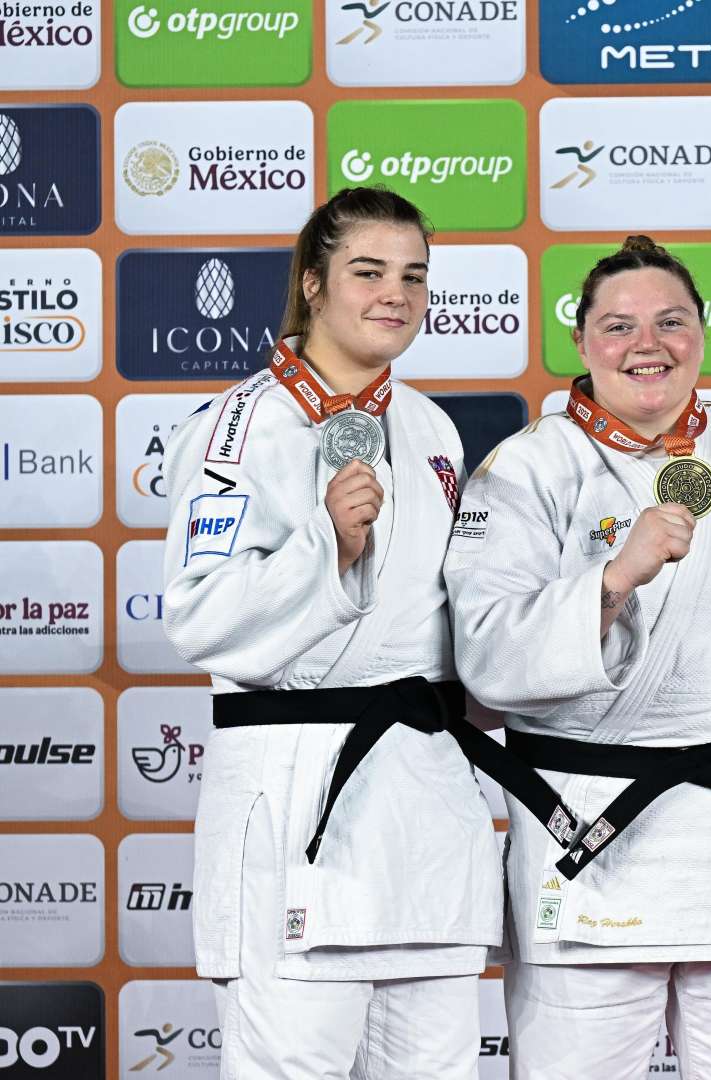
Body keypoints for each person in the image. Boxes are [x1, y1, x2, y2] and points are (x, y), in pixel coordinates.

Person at [445, 236, 711, 1080]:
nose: (647, 344)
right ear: (582, 342)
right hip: (595, 836)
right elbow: (487, 658)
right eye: (619, 325)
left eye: (671, 322)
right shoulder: (527, 469)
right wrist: (614, 579)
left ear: (704, 334)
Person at [161, 187, 503, 1080]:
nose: (396, 293)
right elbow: (197, 613)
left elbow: (446, 620)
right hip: (299, 791)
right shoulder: (239, 426)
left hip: (425, 799)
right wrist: (329, 547)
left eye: (414, 276)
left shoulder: (430, 427)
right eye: (369, 272)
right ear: (313, 283)